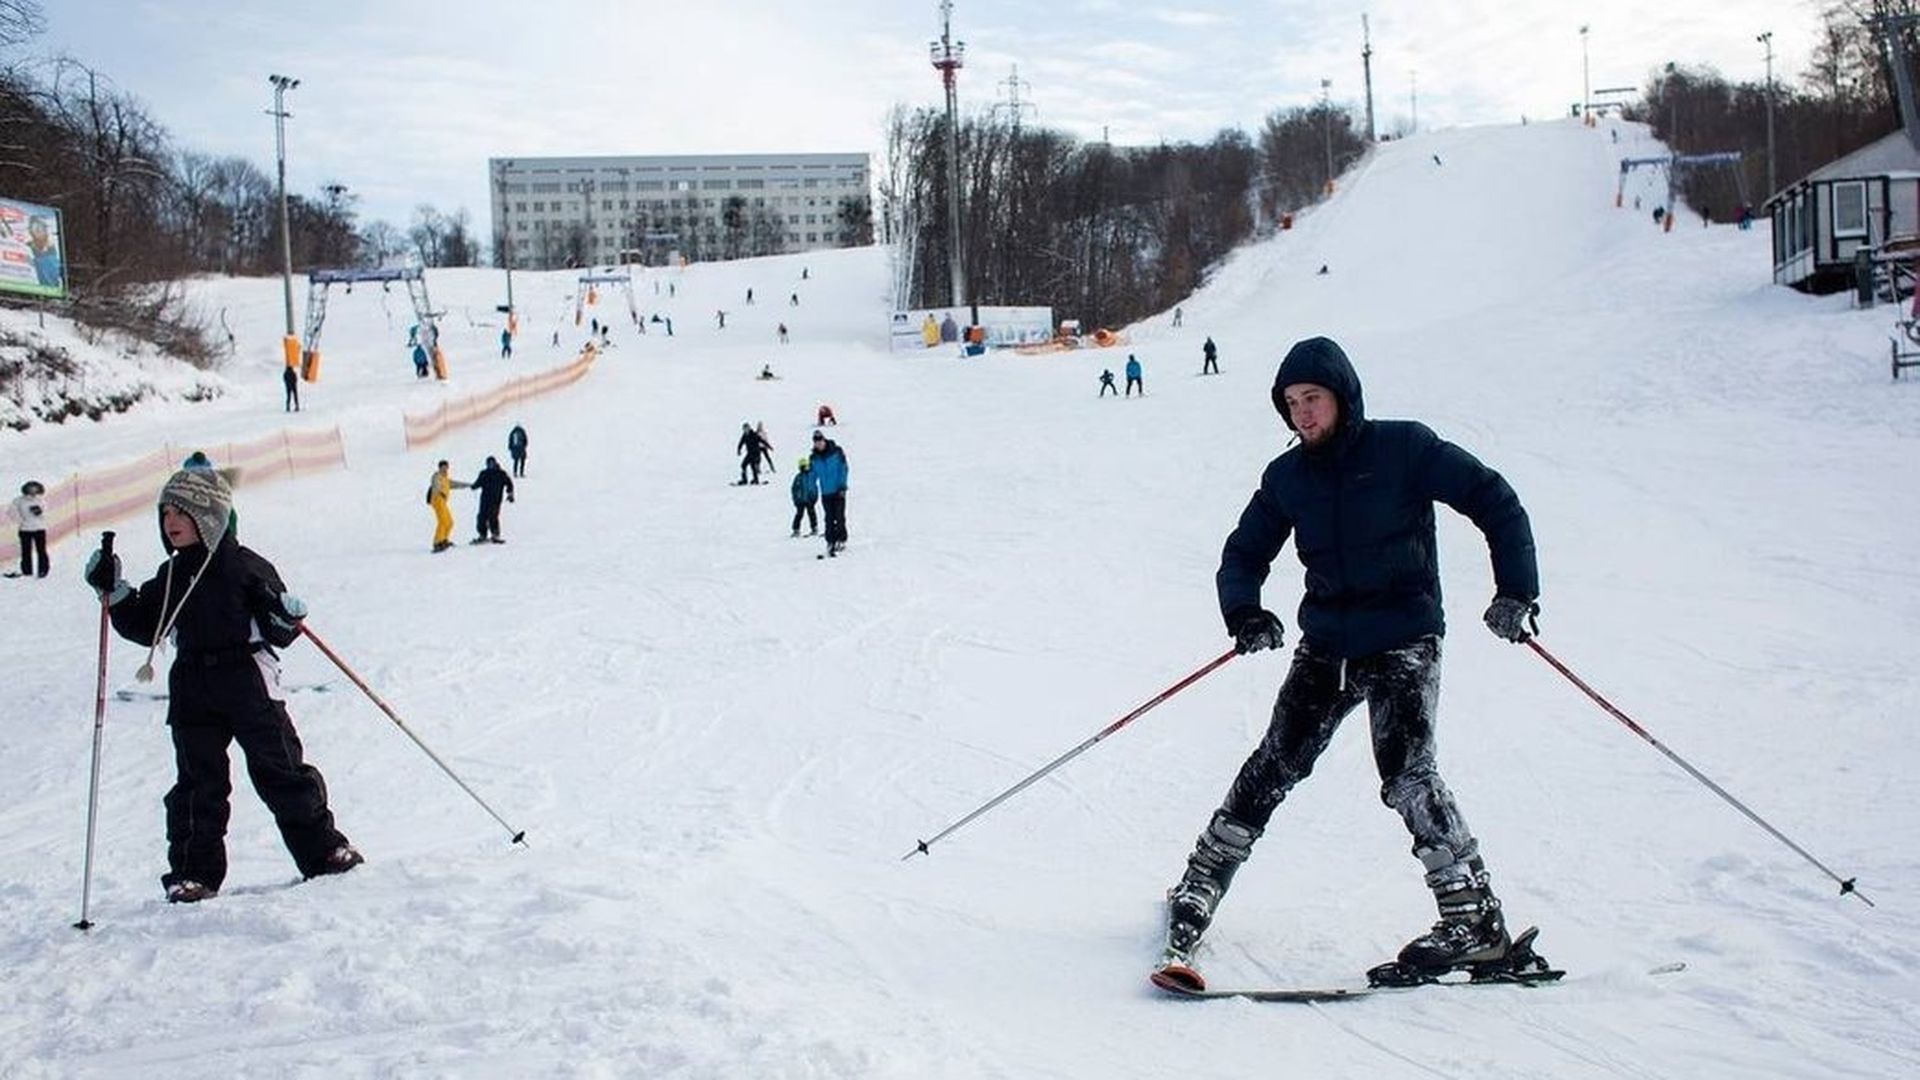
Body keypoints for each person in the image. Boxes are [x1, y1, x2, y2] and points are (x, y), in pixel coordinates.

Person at [1161, 336, 1542, 988]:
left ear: (1342, 395)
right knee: (1274, 763)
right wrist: (1245, 613)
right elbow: (1243, 553)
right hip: (1329, 644)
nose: (1303, 413)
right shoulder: (1288, 478)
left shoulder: (1405, 449)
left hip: (1404, 636)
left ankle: (1474, 920)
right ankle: (1198, 888)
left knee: (1408, 774)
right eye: (1290, 403)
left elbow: (1493, 500)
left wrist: (1516, 591)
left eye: (1312, 398)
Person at [82, 467, 361, 903]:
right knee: (197, 783)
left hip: (247, 677)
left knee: (281, 769)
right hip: (193, 682)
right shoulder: (171, 573)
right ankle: (194, 874)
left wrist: (286, 616)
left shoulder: (245, 565)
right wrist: (114, 590)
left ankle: (324, 851)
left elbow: (279, 630)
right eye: (166, 512)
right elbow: (144, 623)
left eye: (183, 511)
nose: (170, 521)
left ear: (209, 515)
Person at [809, 430, 849, 556]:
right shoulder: (814, 458)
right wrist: (811, 489)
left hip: (838, 491)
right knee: (829, 518)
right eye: (816, 442)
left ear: (824, 440)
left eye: (820, 441)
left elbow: (844, 468)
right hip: (826, 492)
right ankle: (830, 541)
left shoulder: (836, 452)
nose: (818, 444)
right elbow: (812, 475)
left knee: (840, 517)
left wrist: (842, 485)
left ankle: (841, 539)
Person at [426, 460, 470, 552]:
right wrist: (440, 491)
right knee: (442, 521)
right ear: (440, 468)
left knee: (450, 522)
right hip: (437, 500)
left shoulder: (446, 479)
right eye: (443, 467)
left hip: (443, 502)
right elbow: (435, 483)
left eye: (446, 467)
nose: (445, 469)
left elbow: (456, 484)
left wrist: (469, 485)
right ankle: (437, 542)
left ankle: (444, 540)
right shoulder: (437, 476)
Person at [469, 456, 515, 544]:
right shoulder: (484, 473)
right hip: (485, 499)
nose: (490, 465)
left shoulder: (501, 473)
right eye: (489, 463)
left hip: (496, 499)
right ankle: (482, 534)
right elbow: (478, 483)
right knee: (481, 517)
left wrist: (510, 494)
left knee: (493, 516)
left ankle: (495, 534)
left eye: (492, 463)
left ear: (495, 463)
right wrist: (473, 486)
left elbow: (509, 483)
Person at [10, 480, 48, 578]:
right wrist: (21, 521)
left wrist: (40, 513)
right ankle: (27, 571)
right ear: (25, 489)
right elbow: (12, 513)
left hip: (40, 528)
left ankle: (43, 570)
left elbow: (46, 514)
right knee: (26, 551)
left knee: (41, 550)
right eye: (30, 488)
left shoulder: (42, 500)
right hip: (25, 529)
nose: (32, 491)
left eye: (35, 488)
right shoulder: (19, 501)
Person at [790, 455, 819, 538]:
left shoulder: (812, 475)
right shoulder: (798, 477)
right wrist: (795, 499)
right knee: (799, 514)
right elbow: (794, 489)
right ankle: (796, 529)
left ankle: (814, 528)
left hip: (810, 499)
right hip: (801, 500)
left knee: (812, 514)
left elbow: (815, 469)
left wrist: (814, 497)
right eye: (802, 467)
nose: (804, 468)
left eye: (805, 466)